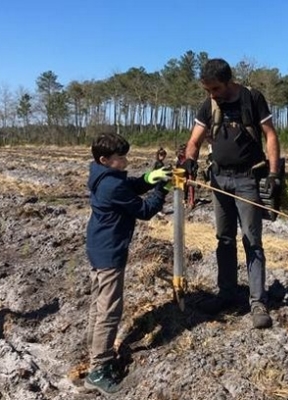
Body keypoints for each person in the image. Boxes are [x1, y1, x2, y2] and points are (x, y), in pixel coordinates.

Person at [181, 58, 281, 329]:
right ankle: (226, 294)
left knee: (252, 240)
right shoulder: (209, 105)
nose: (211, 94)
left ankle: (258, 301)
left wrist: (273, 174)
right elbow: (194, 140)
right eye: (207, 89)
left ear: (228, 82)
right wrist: (190, 159)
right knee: (224, 239)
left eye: (215, 88)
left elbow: (270, 135)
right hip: (218, 179)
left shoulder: (252, 98)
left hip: (248, 179)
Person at [84, 132, 172, 394]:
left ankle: (95, 354)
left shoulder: (101, 175)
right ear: (104, 159)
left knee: (97, 305)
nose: (125, 161)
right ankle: (98, 369)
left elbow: (128, 185)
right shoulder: (112, 186)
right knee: (109, 311)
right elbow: (144, 210)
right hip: (109, 252)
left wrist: (147, 179)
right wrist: (161, 188)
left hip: (98, 247)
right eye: (120, 158)